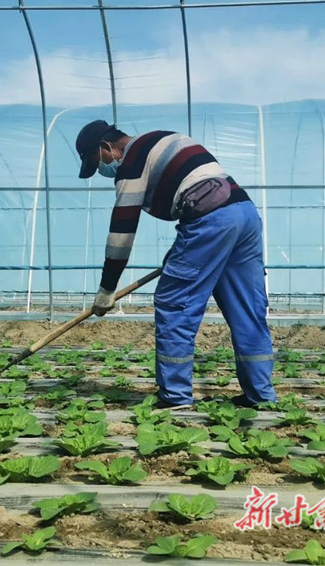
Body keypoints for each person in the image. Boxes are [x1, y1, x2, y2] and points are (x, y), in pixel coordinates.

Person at [75, 120, 277, 408]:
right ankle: (261, 395)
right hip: (242, 213)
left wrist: (107, 289)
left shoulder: (131, 162)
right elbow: (195, 193)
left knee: (175, 302)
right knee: (247, 307)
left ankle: (175, 397)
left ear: (107, 148)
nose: (104, 171)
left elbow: (122, 232)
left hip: (211, 221)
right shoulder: (163, 138)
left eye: (99, 162)